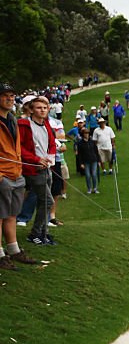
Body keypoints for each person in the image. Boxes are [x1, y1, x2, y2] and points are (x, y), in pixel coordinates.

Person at [0, 82, 39, 270]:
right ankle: (0, 254)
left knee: (12, 214)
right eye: (5, 95)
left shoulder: (12, 119)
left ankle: (13, 250)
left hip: (16, 173)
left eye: (11, 95)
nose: (9, 98)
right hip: (3, 175)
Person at [18, 96, 57, 246]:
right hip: (33, 169)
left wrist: (49, 159)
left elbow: (51, 144)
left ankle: (43, 233)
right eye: (39, 108)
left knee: (44, 201)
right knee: (47, 201)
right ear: (32, 109)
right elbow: (19, 148)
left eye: (45, 108)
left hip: (46, 167)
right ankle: (35, 233)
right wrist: (36, 160)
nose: (42, 110)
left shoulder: (46, 124)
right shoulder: (24, 124)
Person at [78, 128, 101, 194]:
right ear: (83, 134)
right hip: (86, 161)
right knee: (87, 175)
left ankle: (95, 188)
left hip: (94, 160)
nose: (87, 134)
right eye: (85, 133)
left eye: (88, 133)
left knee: (94, 174)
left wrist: (98, 160)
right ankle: (89, 188)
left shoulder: (92, 142)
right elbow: (79, 154)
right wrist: (81, 163)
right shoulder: (80, 143)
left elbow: (96, 151)